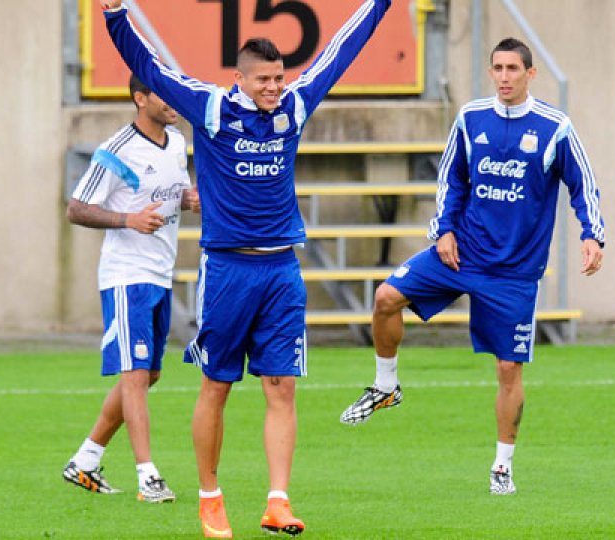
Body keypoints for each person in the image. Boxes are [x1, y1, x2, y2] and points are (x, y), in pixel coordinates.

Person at [99, 0, 392, 536]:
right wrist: (117, 15)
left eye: (279, 78)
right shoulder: (210, 108)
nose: (274, 87)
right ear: (240, 78)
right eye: (263, 80)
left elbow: (340, 51)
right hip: (227, 270)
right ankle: (210, 497)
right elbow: (149, 67)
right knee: (217, 384)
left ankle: (277, 500)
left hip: (282, 268)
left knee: (281, 384)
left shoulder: (294, 105)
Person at [339, 38, 605, 496]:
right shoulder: (471, 118)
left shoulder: (554, 128)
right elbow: (451, 178)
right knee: (385, 298)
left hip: (514, 272)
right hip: (460, 253)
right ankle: (386, 386)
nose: (503, 76)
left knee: (507, 370)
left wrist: (591, 234)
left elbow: (584, 185)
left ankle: (502, 466)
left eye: (512, 69)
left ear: (530, 74)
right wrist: (442, 229)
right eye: (497, 68)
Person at [62, 75, 200, 503]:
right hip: (126, 275)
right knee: (136, 375)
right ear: (140, 99)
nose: (172, 100)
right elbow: (76, 208)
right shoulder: (117, 150)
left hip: (160, 272)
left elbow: (165, 196)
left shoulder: (176, 142)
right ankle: (148, 476)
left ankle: (86, 459)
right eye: (162, 93)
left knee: (150, 373)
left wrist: (186, 199)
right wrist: (128, 220)